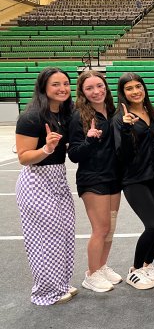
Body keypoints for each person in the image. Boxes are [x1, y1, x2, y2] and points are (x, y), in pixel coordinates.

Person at [15, 67, 76, 305]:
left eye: (65, 83)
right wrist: (47, 148)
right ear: (43, 87)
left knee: (63, 234)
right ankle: (44, 292)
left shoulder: (65, 113)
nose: (62, 88)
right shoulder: (31, 117)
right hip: (36, 181)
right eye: (55, 84)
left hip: (58, 179)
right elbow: (24, 157)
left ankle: (60, 284)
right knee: (45, 239)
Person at [68, 71, 121, 293]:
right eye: (89, 88)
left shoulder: (114, 111)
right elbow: (74, 155)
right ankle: (91, 274)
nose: (96, 91)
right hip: (93, 178)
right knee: (101, 228)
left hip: (113, 177)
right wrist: (89, 140)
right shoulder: (78, 116)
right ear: (82, 92)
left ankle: (101, 266)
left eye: (99, 86)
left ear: (105, 86)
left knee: (110, 228)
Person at [113, 73, 154, 290]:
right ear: (122, 93)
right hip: (134, 179)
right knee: (152, 224)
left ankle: (147, 265)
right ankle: (134, 269)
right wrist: (126, 129)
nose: (135, 91)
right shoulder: (120, 118)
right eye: (129, 88)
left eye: (138, 86)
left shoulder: (153, 112)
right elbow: (122, 154)